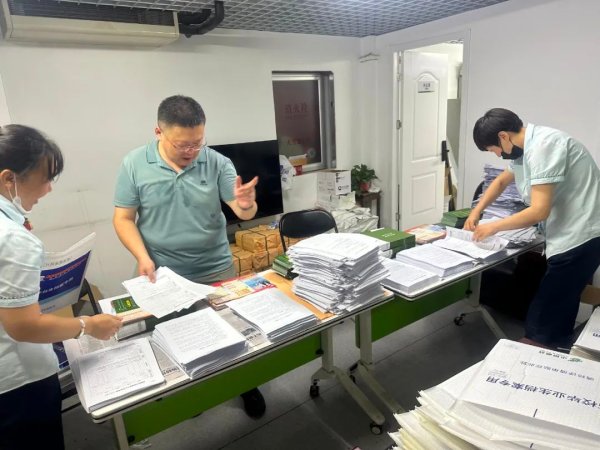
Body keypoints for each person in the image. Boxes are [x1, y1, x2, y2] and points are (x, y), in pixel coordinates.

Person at [113, 95, 265, 417]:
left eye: (198, 143)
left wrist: (246, 203)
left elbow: (242, 210)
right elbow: (123, 218)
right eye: (183, 145)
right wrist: (142, 257)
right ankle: (190, 393)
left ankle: (246, 384)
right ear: (158, 132)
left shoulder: (217, 162)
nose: (192, 151)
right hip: (161, 271)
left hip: (215, 267)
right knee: (174, 339)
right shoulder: (134, 163)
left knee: (232, 331)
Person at [0, 125, 123, 450]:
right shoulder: (12, 238)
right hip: (16, 384)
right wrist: (87, 325)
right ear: (9, 179)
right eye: (45, 178)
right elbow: (23, 326)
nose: (49, 188)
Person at [466, 108, 600, 350]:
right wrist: (477, 211)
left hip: (581, 236)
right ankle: (558, 347)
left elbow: (539, 211)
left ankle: (540, 353)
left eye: (493, 149)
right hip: (571, 233)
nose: (497, 155)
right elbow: (500, 181)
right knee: (561, 304)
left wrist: (493, 227)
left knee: (542, 321)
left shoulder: (544, 147)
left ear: (503, 136)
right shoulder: (525, 149)